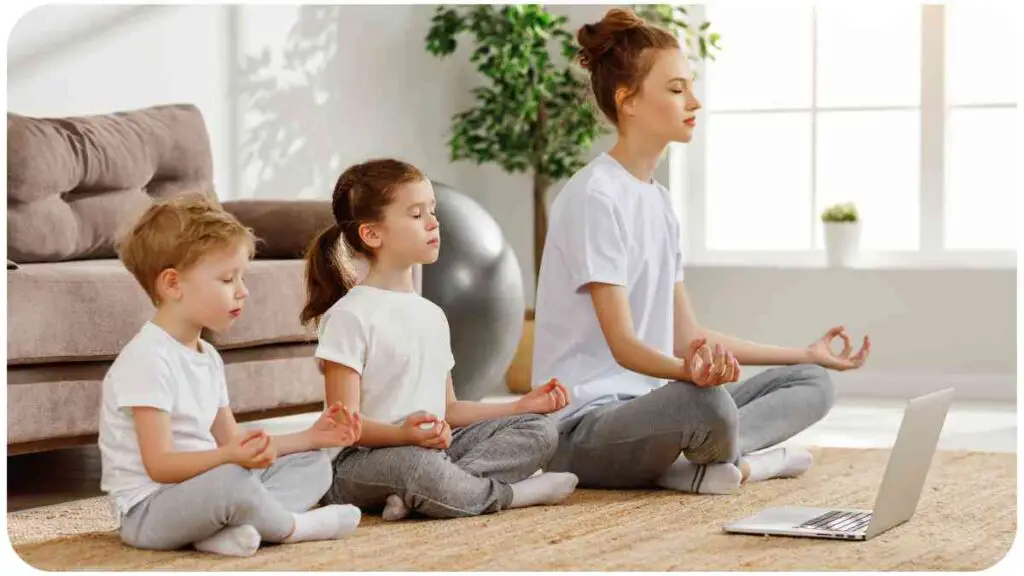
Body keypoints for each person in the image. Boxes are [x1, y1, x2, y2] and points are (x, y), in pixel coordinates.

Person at [531, 8, 870, 496]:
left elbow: (686, 336)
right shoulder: (595, 197)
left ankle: (702, 463)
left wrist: (804, 351)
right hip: (583, 430)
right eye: (675, 89)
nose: (695, 101)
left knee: (811, 381)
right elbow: (624, 345)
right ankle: (744, 463)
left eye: (690, 86)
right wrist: (695, 376)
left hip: (650, 412)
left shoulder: (659, 201)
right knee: (703, 403)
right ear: (628, 100)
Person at [302, 158, 579, 520]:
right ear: (372, 234)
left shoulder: (432, 315)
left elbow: (449, 410)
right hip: (361, 463)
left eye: (432, 210)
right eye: (416, 214)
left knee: (540, 431)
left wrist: (521, 406)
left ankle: (428, 493)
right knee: (416, 467)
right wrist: (404, 435)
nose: (434, 222)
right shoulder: (349, 315)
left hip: (431, 450)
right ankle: (511, 495)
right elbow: (345, 428)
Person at [99, 194, 363, 557]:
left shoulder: (206, 356)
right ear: (173, 285)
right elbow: (159, 465)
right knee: (232, 480)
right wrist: (228, 458)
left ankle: (231, 528)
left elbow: (234, 441)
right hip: (150, 512)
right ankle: (291, 527)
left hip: (208, 489)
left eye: (241, 277)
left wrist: (312, 436)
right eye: (227, 279)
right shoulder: (147, 359)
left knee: (314, 464)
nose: (243, 291)